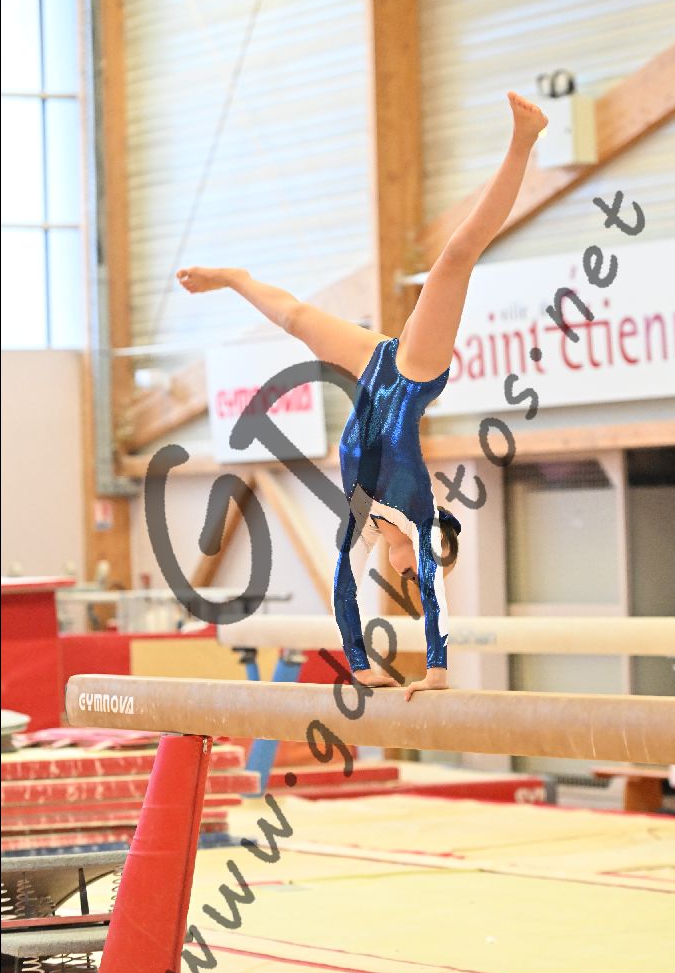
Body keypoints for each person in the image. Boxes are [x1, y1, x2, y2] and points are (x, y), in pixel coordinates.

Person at [178, 92, 547, 698]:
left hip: (375, 368)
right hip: (413, 373)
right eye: (425, 566)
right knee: (454, 260)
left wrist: (360, 663)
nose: (412, 575)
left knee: (295, 318)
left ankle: (236, 278)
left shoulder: (364, 521)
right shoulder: (419, 519)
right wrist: (437, 672)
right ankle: (523, 143)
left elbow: (343, 585)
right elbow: (436, 602)